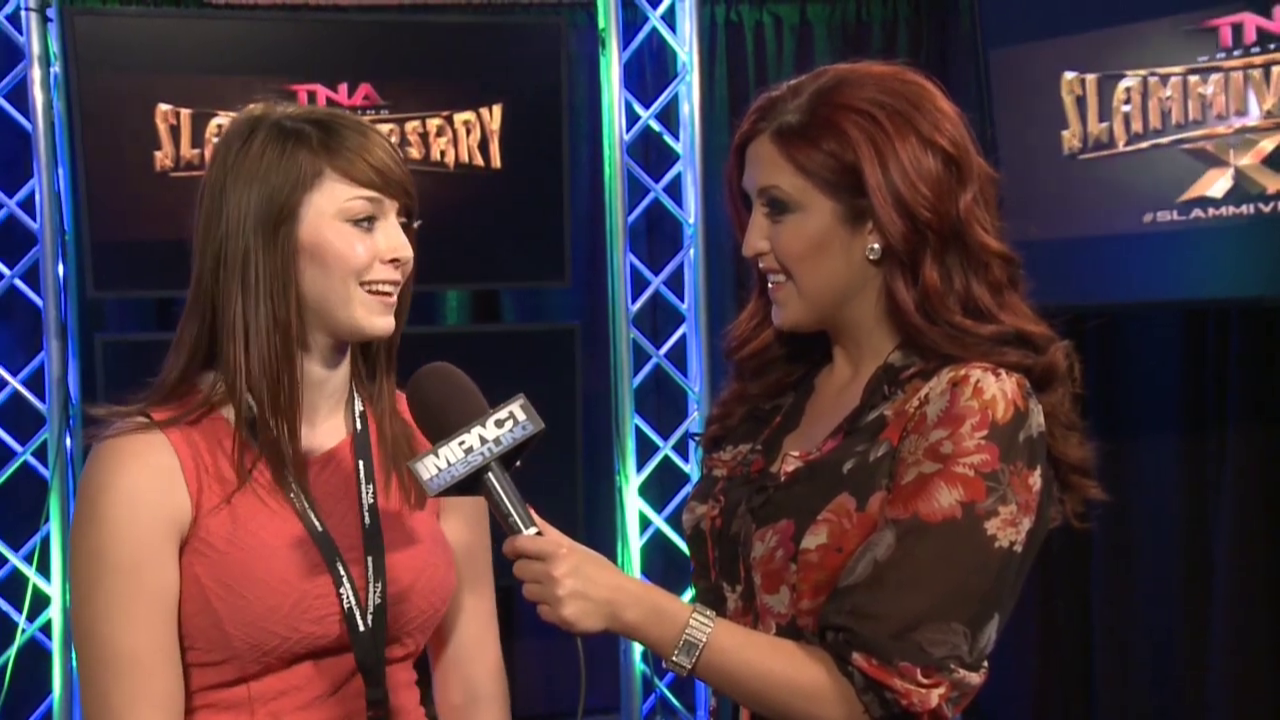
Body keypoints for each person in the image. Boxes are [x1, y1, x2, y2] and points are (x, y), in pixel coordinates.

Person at [502, 60, 1105, 719]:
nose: (751, 242)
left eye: (778, 208)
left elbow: (867, 699)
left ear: (877, 220)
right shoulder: (773, 399)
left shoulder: (974, 406)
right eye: (751, 208)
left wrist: (632, 606)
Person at [70, 103, 510, 720]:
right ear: (268, 240)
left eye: (403, 222)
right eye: (365, 221)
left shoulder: (434, 434)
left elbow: (474, 689)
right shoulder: (143, 470)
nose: (402, 250)